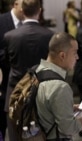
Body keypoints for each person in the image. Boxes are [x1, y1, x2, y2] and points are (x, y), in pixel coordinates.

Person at [3, 0, 53, 140]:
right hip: (41, 94)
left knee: (15, 136)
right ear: (40, 11)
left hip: (15, 95)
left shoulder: (10, 36)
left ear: (22, 11)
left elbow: (7, 63)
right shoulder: (49, 35)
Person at [36, 32, 82, 140]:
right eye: (75, 53)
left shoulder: (37, 71)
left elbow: (44, 106)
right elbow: (68, 128)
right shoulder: (60, 87)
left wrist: (67, 108)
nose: (77, 57)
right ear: (62, 55)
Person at [0, 0, 24, 138]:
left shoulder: (29, 22)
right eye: (23, 5)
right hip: (4, 83)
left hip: (24, 87)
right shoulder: (2, 21)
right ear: (15, 4)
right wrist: (11, 55)